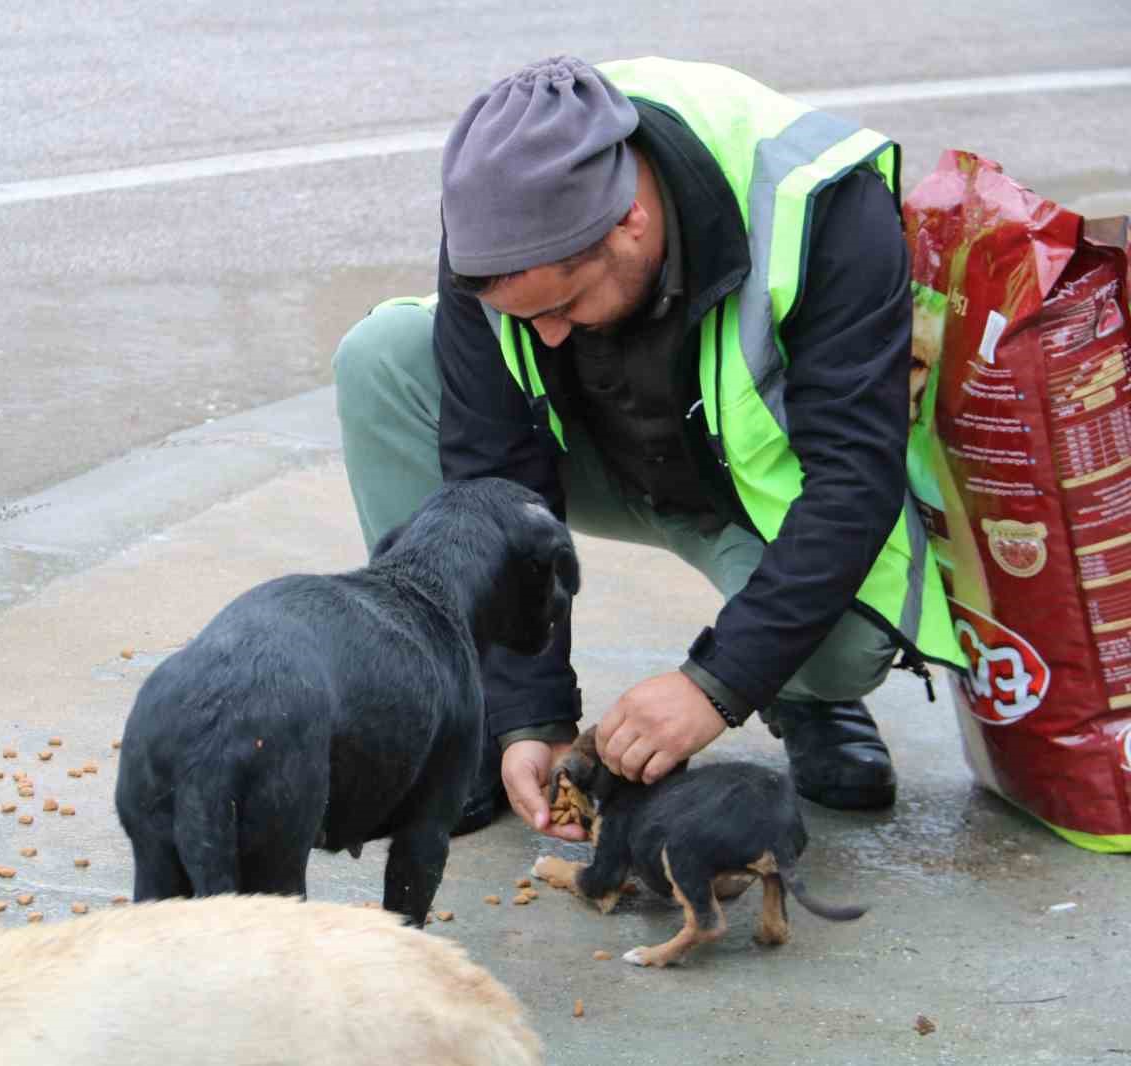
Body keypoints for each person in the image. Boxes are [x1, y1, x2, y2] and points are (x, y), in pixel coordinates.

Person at [331, 55, 964, 841]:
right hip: (596, 455)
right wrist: (529, 710)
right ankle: (464, 711)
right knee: (383, 356)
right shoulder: (500, 216)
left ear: (631, 218)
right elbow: (491, 480)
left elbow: (852, 480)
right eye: (526, 319)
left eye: (562, 304)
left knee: (843, 649)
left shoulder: (822, 208)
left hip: (748, 491)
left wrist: (718, 684)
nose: (547, 333)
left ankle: (806, 698)